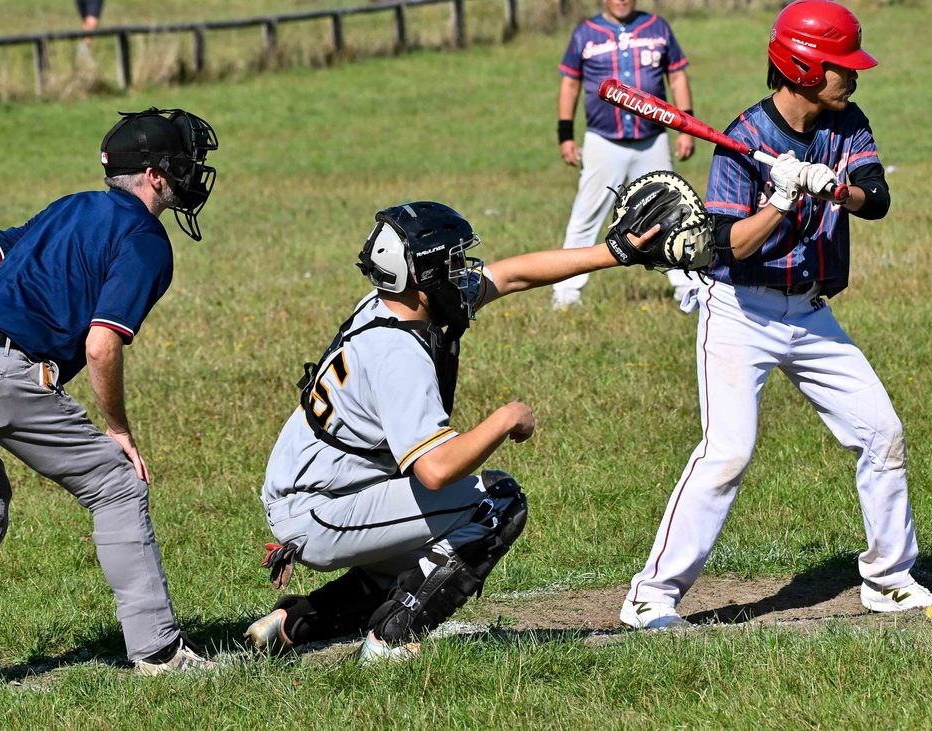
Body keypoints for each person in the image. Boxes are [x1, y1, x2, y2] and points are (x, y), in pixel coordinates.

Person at [620, 0, 932, 631]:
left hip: (810, 313)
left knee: (882, 433)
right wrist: (779, 199)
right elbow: (725, 247)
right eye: (840, 65)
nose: (852, 76)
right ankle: (651, 595)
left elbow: (875, 200)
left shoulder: (847, 121)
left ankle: (888, 577)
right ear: (802, 66)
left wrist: (834, 187)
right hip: (740, 311)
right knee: (728, 453)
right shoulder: (743, 141)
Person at [245, 201, 670, 662]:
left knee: (419, 554)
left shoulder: (387, 304)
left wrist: (616, 252)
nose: (463, 271)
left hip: (317, 487)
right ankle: (390, 642)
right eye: (451, 263)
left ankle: (293, 623)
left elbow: (511, 275)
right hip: (319, 508)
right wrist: (505, 418)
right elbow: (435, 470)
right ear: (422, 278)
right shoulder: (398, 354)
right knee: (494, 505)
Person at [0, 108, 220, 687]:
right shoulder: (145, 239)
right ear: (155, 176)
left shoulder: (72, 205)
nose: (193, 176)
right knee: (116, 484)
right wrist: (119, 430)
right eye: (184, 165)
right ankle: (160, 654)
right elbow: (100, 345)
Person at [553, 0, 695, 310]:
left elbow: (676, 76)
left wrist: (687, 125)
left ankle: (686, 287)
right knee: (586, 216)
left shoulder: (657, 27)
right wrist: (566, 134)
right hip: (603, 140)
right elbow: (570, 83)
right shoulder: (585, 32)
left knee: (671, 212)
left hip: (653, 138)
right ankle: (567, 293)